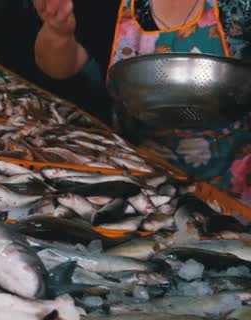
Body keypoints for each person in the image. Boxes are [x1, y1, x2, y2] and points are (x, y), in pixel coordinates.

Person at [34, 0, 251, 206]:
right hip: (136, 177)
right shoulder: (106, 6)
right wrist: (58, 33)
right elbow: (66, 66)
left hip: (232, 176)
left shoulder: (240, 9)